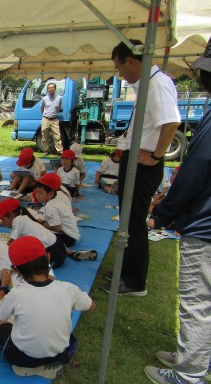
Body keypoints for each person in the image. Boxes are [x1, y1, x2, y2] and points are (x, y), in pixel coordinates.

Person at [144, 40, 211, 384]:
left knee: (197, 301)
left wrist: (164, 214)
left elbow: (195, 170)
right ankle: (197, 357)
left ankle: (189, 376)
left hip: (205, 227)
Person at [102, 39, 180, 296]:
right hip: (135, 161)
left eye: (120, 67)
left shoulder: (158, 84)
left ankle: (135, 282)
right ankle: (127, 271)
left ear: (132, 61)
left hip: (143, 165)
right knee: (128, 220)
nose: (120, 74)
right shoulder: (148, 84)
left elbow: (170, 123)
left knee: (134, 222)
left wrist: (157, 156)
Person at [0, 237, 95, 379]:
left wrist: (3, 285)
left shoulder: (17, 294)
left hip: (24, 358)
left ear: (16, 271)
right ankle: (47, 364)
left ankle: (28, 368)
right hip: (60, 353)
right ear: (48, 257)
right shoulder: (67, 288)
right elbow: (91, 306)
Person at [33, 173, 98, 261]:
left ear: (51, 193)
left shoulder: (50, 206)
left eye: (40, 193)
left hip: (68, 237)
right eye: (37, 193)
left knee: (38, 237)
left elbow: (56, 227)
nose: (37, 195)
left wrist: (41, 223)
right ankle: (71, 252)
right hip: (70, 235)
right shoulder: (54, 199)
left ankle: (65, 252)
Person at [0, 198, 67, 268]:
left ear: (11, 215)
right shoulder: (24, 218)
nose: (3, 223)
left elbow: (10, 244)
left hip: (52, 256)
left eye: (3, 219)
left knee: (18, 260)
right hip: (60, 247)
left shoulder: (17, 220)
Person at [40, 82, 63, 155]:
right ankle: (46, 150)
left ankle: (60, 151)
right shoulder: (44, 98)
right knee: (44, 135)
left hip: (54, 119)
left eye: (52, 88)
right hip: (46, 119)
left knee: (57, 136)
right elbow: (42, 108)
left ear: (55, 89)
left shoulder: (59, 98)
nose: (51, 89)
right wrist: (46, 115)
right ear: (47, 89)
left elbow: (59, 108)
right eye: (49, 88)